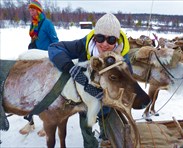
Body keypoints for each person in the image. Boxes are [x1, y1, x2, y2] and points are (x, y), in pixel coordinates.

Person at [48, 13, 132, 147]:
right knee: (85, 122)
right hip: (85, 101)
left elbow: (127, 86)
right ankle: (90, 144)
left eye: (110, 40)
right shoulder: (83, 45)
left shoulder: (122, 57)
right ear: (94, 36)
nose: (104, 44)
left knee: (105, 116)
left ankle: (105, 135)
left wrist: (106, 95)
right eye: (100, 38)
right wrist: (70, 68)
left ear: (116, 40)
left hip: (107, 101)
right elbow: (54, 48)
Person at [20, 0, 59, 135]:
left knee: (44, 93)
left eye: (33, 9)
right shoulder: (33, 23)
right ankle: (30, 122)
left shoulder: (47, 24)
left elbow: (55, 41)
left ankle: (47, 123)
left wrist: (52, 58)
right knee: (31, 91)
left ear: (39, 10)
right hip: (35, 60)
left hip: (47, 62)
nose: (30, 12)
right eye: (29, 10)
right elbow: (34, 41)